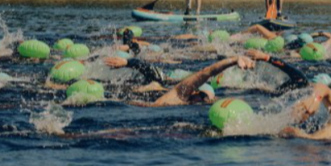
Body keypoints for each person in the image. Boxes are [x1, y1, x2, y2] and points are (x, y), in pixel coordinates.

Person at [104, 55, 256, 107]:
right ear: (194, 91)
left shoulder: (187, 101)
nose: (202, 99)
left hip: (140, 100)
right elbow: (206, 72)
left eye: (205, 98)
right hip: (130, 95)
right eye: (201, 95)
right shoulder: (180, 94)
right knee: (155, 82)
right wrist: (233, 60)